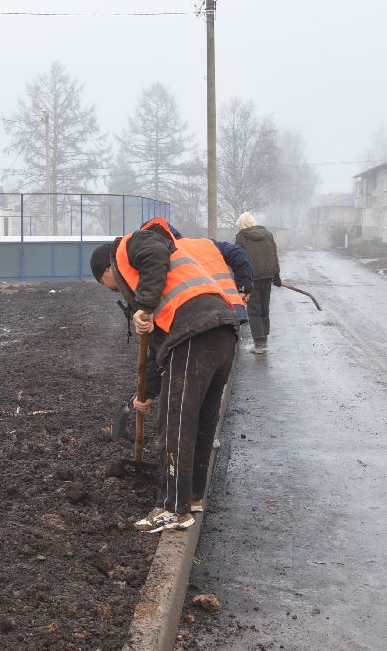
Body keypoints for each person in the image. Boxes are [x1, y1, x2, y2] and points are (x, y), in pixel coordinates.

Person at [91, 217, 241, 534]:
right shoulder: (162, 285)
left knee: (175, 424)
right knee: (201, 421)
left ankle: (172, 508)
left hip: (194, 333)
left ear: (105, 271)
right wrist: (145, 395)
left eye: (108, 285)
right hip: (221, 331)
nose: (114, 289)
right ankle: (192, 496)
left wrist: (143, 306)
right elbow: (159, 351)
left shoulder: (130, 245)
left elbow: (154, 254)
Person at [233, 212, 281, 354]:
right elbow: (274, 254)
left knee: (254, 311)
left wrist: (239, 280)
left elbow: (238, 261)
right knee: (264, 309)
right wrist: (276, 274)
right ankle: (263, 339)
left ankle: (259, 343)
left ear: (241, 225)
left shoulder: (241, 238)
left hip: (251, 278)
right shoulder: (267, 234)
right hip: (267, 277)